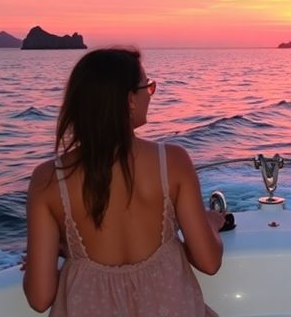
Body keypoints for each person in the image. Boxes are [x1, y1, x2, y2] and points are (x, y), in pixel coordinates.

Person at [23, 47, 224, 316]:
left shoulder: (47, 179)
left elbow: (39, 298)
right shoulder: (173, 162)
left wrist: (69, 255)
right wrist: (210, 224)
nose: (150, 94)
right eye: (148, 86)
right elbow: (209, 262)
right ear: (130, 99)